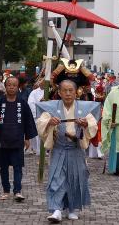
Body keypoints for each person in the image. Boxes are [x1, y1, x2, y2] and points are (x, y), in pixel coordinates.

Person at [36, 80, 101, 222]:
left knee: (75, 178)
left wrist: (85, 125)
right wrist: (49, 122)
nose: (67, 93)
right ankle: (56, 209)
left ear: (76, 91)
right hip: (59, 148)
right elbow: (41, 122)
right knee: (56, 178)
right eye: (64, 90)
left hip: (75, 149)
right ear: (59, 92)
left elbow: (92, 125)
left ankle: (72, 208)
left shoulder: (83, 108)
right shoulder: (52, 107)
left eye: (71, 90)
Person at [0, 77, 37, 201]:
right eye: (9, 85)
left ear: (18, 87)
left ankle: (18, 191)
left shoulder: (22, 102)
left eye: (14, 85)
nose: (12, 87)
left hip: (18, 139)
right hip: (2, 139)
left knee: (17, 166)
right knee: (3, 167)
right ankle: (5, 190)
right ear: (5, 86)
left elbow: (28, 121)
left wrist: (27, 137)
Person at [27, 78, 45, 155]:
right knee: (37, 133)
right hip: (37, 115)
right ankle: (36, 149)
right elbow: (31, 103)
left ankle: (45, 149)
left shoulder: (50, 91)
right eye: (41, 81)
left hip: (47, 116)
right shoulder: (34, 92)